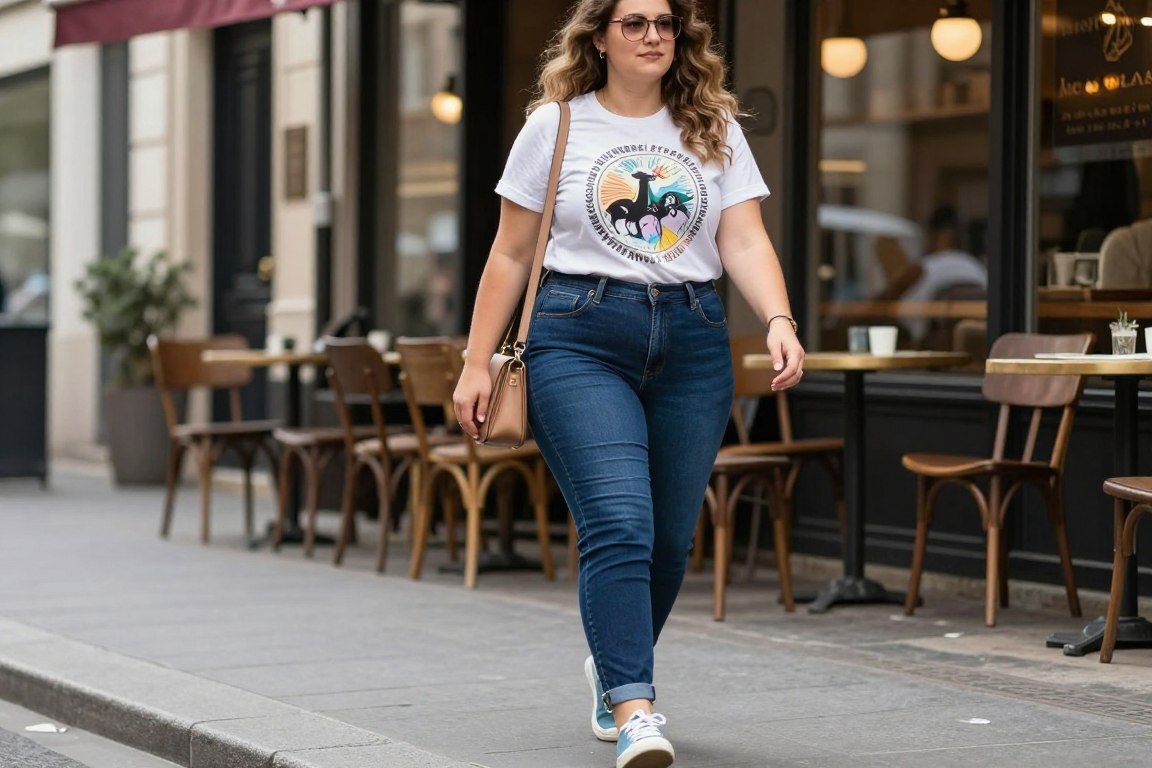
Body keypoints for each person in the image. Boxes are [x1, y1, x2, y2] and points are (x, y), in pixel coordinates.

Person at [452, 2, 802, 766]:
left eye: (666, 24)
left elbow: (743, 236)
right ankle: (637, 708)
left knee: (672, 539)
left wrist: (777, 317)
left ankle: (612, 665)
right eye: (634, 22)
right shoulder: (557, 125)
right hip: (578, 333)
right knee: (619, 521)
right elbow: (511, 253)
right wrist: (477, 362)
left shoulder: (712, 126)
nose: (652, 36)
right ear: (600, 36)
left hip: (695, 338)